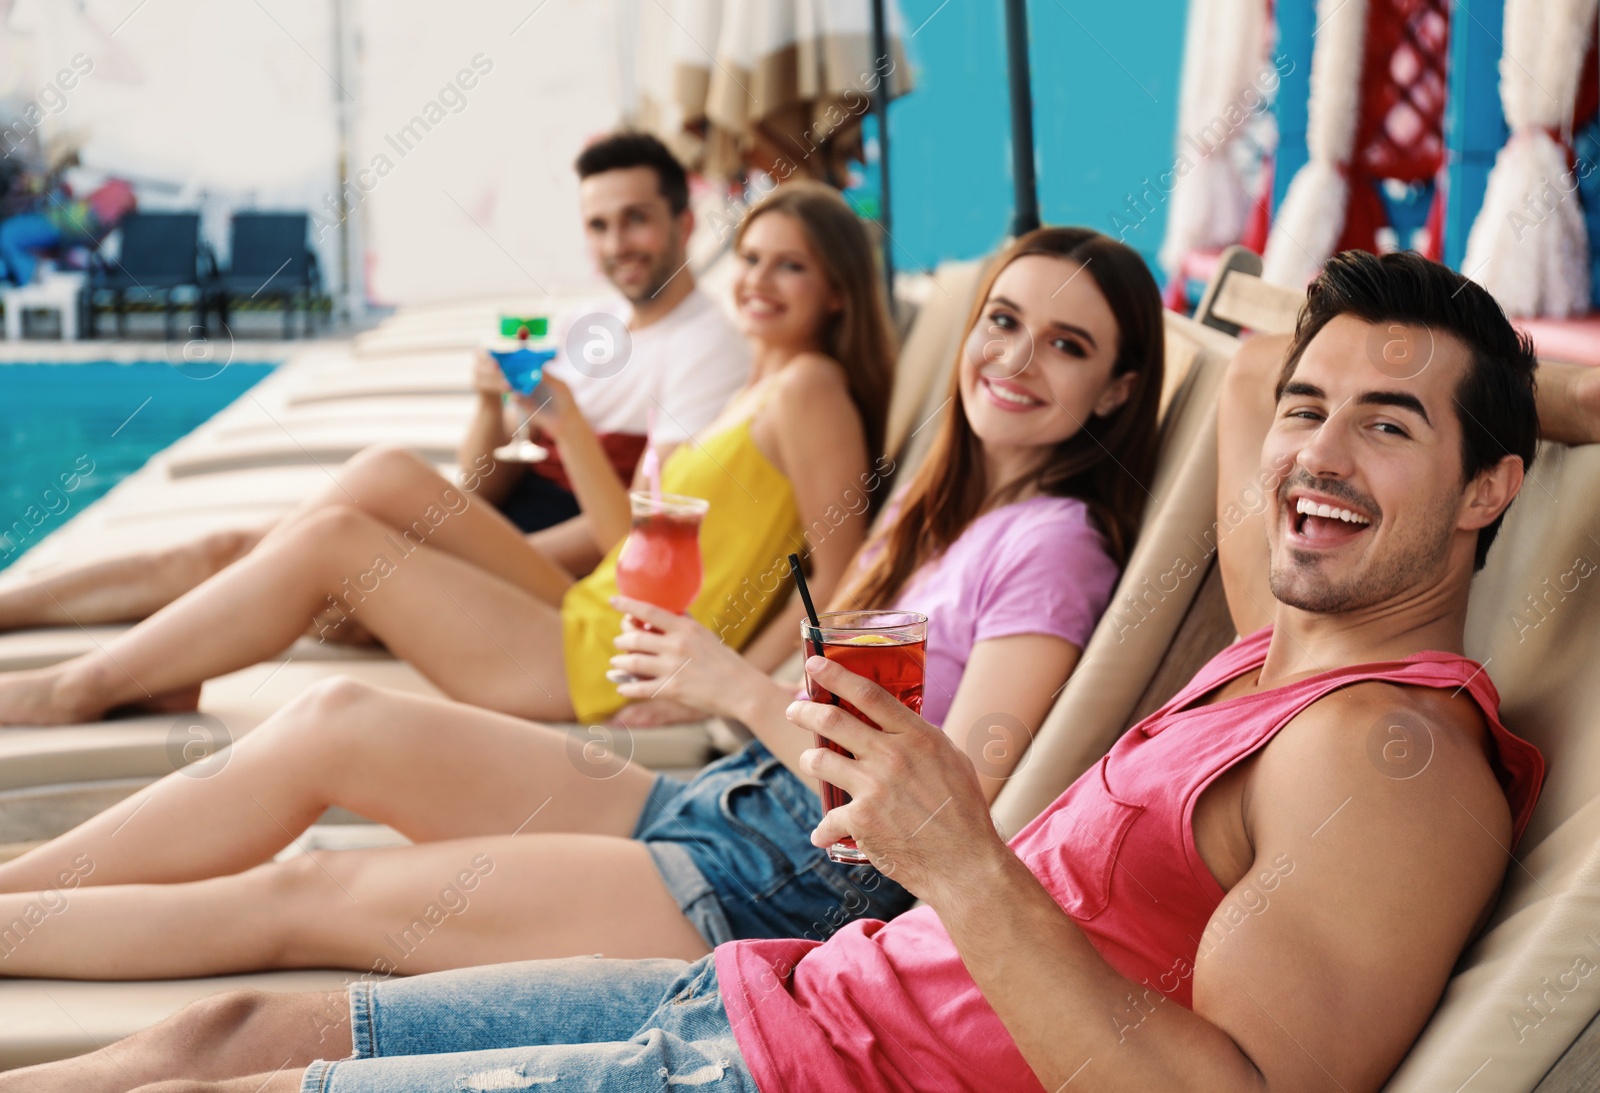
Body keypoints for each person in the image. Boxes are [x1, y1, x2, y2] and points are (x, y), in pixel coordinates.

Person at [21, 249, 1600, 1093]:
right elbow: (1259, 360)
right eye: (1316, 415)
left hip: (801, 1060)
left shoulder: (1383, 759)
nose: (1314, 451)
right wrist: (1511, 384)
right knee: (223, 1036)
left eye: (1390, 429)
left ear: (1487, 494)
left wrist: (960, 868)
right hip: (775, 997)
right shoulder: (1280, 649)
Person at [0, 227, 1163, 982]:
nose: (1016, 358)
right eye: (1003, 322)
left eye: (1067, 346)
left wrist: (733, 685)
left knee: (308, 893)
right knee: (333, 721)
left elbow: (951, 828)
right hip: (728, 801)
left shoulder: (1053, 552)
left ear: (1114, 390)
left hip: (789, 883)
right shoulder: (948, 502)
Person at [0, 180, 888, 728]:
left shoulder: (809, 391)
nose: (758, 282)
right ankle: (150, 667)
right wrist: (519, 414)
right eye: (755, 258)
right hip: (603, 609)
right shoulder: (756, 386)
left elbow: (839, 583)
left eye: (791, 267)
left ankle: (79, 687)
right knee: (385, 474)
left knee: (334, 539)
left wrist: (730, 687)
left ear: (838, 291)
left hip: (606, 654)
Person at [0, 131, 746, 635]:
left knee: (302, 586)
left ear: (685, 222)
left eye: (637, 220)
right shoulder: (591, 321)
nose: (618, 245)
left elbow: (647, 528)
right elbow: (481, 482)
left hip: (551, 559)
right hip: (499, 525)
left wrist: (491, 563)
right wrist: (491, 402)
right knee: (232, 548)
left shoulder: (708, 350)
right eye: (600, 225)